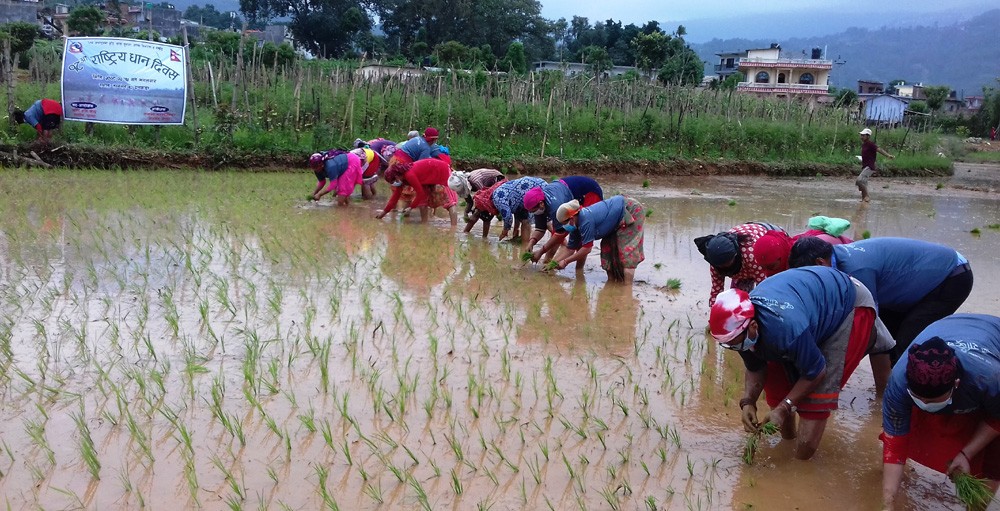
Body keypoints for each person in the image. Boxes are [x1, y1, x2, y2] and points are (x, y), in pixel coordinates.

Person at [709, 266, 894, 460]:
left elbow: (816, 372)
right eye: (727, 345)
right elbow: (756, 367)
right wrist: (748, 402)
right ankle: (787, 445)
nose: (734, 348)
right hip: (805, 307)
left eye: (734, 344)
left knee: (815, 401)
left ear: (753, 326)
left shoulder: (785, 329)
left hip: (846, 305)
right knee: (778, 385)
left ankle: (800, 463)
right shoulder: (740, 332)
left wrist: (784, 408)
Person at [787, 236, 973, 365]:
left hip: (951, 276)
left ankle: (904, 391)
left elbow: (867, 323)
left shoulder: (857, 270)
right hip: (908, 285)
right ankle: (893, 381)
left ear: (820, 263)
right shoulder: (833, 258)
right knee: (890, 338)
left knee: (905, 340)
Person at [880, 314, 1000, 510]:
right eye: (920, 399)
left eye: (932, 401)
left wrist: (966, 453)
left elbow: (997, 418)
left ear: (956, 384)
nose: (925, 404)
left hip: (992, 341)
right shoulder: (899, 383)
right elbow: (894, 445)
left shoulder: (989, 377)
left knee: (994, 458)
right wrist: (887, 505)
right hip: (945, 326)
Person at [552, 196, 646, 282]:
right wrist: (553, 264)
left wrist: (565, 261)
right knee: (606, 250)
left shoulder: (585, 220)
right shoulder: (575, 227)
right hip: (613, 221)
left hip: (629, 210)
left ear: (571, 218)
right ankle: (612, 282)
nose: (565, 226)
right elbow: (570, 249)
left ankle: (627, 288)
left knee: (626, 251)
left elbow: (586, 249)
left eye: (565, 223)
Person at [694, 222, 785, 306]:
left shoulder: (751, 256)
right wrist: (715, 312)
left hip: (773, 240)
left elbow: (763, 288)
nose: (724, 266)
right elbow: (716, 290)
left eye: (727, 263)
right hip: (744, 266)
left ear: (735, 254)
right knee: (737, 301)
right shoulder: (715, 261)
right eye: (721, 265)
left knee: (773, 293)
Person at [524, 176, 604, 266]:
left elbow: (559, 234)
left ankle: (579, 270)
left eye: (533, 211)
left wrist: (540, 251)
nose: (533, 213)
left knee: (581, 233)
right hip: (567, 189)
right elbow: (540, 229)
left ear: (541, 204)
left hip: (589, 192)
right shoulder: (539, 204)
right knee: (557, 232)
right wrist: (531, 243)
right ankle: (546, 263)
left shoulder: (554, 207)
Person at [376, 157, 457, 225]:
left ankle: (454, 227)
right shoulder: (402, 179)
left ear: (397, 176)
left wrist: (411, 207)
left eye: (394, 181)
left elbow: (420, 193)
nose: (395, 183)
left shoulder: (409, 175)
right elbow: (395, 197)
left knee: (449, 201)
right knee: (422, 201)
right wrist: (383, 213)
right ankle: (424, 223)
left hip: (441, 170)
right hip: (426, 176)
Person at [469, 177, 546, 243]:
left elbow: (508, 217)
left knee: (527, 221)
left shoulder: (497, 200)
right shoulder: (497, 194)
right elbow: (516, 211)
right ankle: (521, 242)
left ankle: (525, 247)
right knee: (524, 219)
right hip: (529, 189)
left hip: (537, 189)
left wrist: (504, 232)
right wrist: (515, 230)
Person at [857, 128, 895, 202]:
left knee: (859, 181)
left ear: (868, 136)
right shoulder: (864, 145)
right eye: (861, 135)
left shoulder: (870, 144)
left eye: (863, 135)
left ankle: (867, 196)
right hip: (865, 166)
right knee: (863, 182)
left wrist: (888, 155)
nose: (861, 137)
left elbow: (879, 149)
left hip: (869, 167)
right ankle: (864, 199)